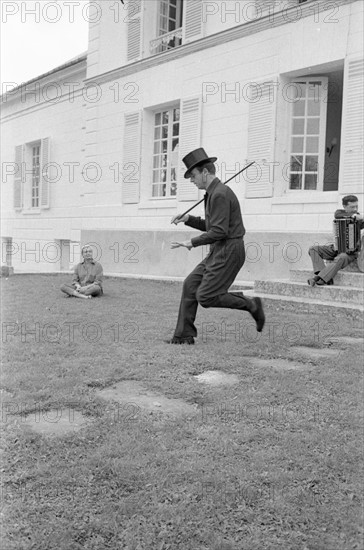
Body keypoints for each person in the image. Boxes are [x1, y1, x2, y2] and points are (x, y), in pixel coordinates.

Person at [167, 147, 265, 345]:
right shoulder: (213, 193)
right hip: (220, 249)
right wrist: (188, 218)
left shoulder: (219, 194)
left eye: (193, 176)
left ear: (205, 172)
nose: (191, 180)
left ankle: (252, 305)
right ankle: (184, 335)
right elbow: (213, 226)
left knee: (206, 296)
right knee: (191, 284)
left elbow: (219, 232)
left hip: (230, 250)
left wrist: (191, 242)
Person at [308, 195, 364, 286]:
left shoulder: (359, 218)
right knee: (313, 249)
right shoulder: (339, 213)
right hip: (336, 248)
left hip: (350, 253)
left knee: (341, 257)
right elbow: (337, 215)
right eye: (352, 207)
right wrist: (353, 216)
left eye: (357, 206)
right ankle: (323, 274)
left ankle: (318, 278)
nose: (355, 209)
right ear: (345, 207)